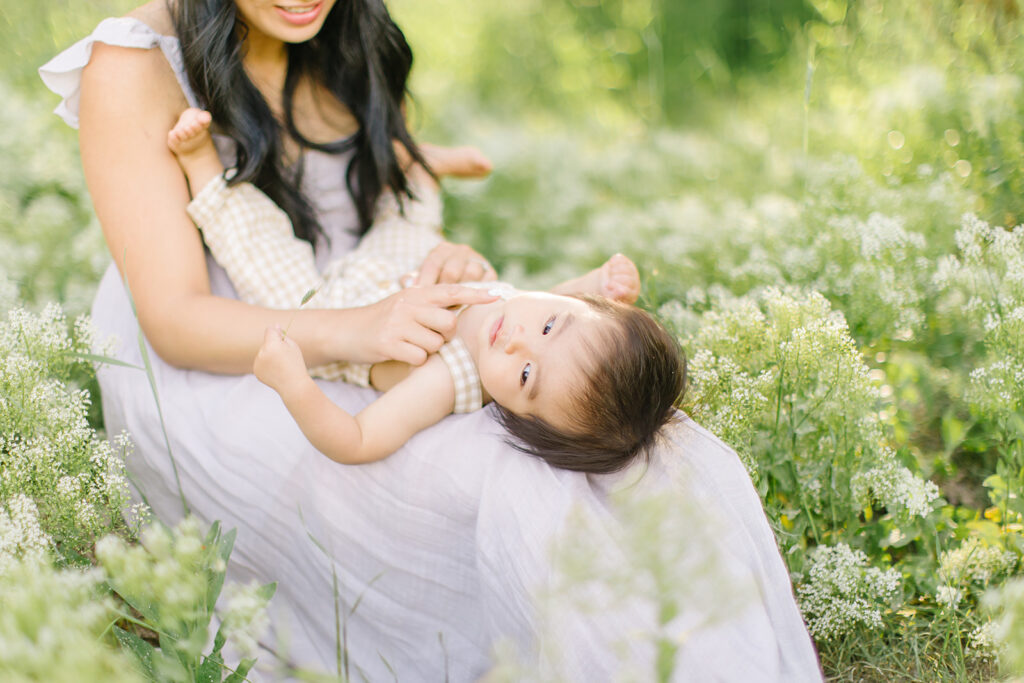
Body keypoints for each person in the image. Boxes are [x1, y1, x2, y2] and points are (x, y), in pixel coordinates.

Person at [40, 1, 824, 679]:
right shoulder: (131, 63)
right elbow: (176, 321)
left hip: (376, 303)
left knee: (653, 446)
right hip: (227, 358)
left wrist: (414, 182)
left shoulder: (344, 30)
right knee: (511, 475)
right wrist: (362, 329)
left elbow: (369, 199)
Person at [167, 106, 678, 472]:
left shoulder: (451, 378)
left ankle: (201, 166)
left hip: (335, 306)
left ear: (519, 419)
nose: (518, 341)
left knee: (260, 250)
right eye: (549, 325)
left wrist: (293, 383)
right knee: (411, 218)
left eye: (525, 375)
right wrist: (598, 285)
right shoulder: (522, 313)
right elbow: (554, 302)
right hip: (400, 269)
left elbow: (359, 440)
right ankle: (419, 168)